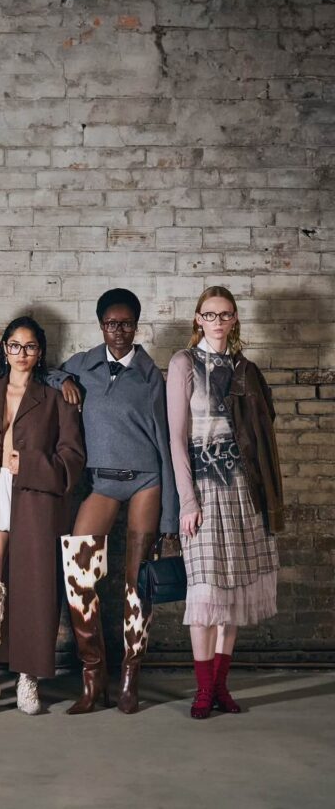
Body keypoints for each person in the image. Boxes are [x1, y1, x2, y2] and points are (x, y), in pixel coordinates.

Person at [49, 288, 179, 715]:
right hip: (102, 482)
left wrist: (171, 518)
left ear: (137, 326)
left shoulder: (151, 375)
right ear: (101, 325)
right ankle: (93, 677)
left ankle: (130, 677)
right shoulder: (83, 365)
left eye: (126, 324)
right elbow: (45, 375)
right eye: (111, 323)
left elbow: (168, 445)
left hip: (147, 481)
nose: (118, 331)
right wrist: (63, 380)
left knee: (137, 581)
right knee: (79, 574)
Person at [0, 316, 85, 720]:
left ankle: (27, 680)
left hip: (36, 503)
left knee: (34, 591)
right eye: (14, 345)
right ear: (4, 349)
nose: (22, 353)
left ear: (40, 352)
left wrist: (27, 462)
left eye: (30, 347)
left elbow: (73, 462)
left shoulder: (56, 399)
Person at [167, 286, 282, 719]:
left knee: (231, 594)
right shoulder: (183, 364)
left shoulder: (244, 369)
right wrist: (187, 501)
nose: (217, 321)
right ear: (198, 318)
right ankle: (202, 691)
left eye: (225, 314)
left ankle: (219, 688)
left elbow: (261, 435)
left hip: (242, 489)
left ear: (235, 320)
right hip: (203, 487)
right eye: (209, 314)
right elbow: (177, 438)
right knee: (205, 593)